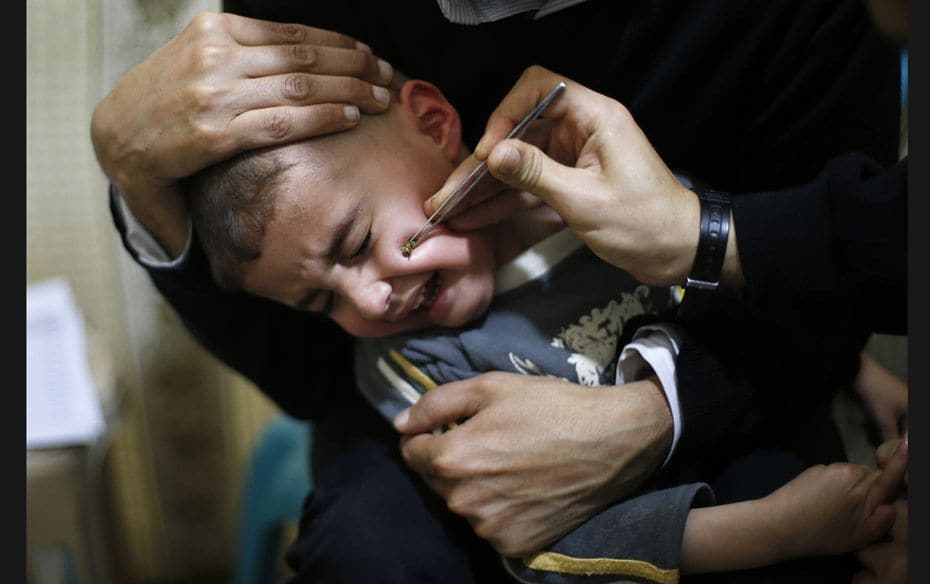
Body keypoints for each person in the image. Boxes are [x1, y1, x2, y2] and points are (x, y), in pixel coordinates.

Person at [92, 2, 902, 581]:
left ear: (436, 125)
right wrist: (139, 180)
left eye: (356, 245)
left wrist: (684, 399)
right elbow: (309, 365)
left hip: (745, 373)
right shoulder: (403, 363)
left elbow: (805, 259)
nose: (367, 304)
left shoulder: (792, 37)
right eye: (323, 301)